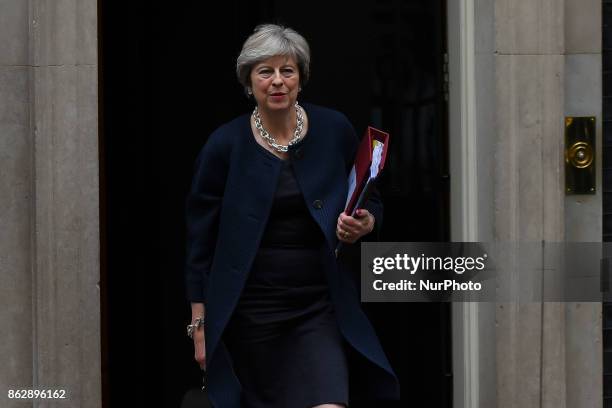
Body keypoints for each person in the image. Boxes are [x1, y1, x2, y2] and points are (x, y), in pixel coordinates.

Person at [184, 23, 399, 408]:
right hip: (250, 315)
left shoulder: (334, 129)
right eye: (265, 71)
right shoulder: (224, 145)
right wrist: (200, 326)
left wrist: (365, 223)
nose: (278, 81)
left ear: (301, 78)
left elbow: (370, 198)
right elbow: (201, 244)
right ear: (249, 81)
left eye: (288, 70)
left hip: (316, 307)